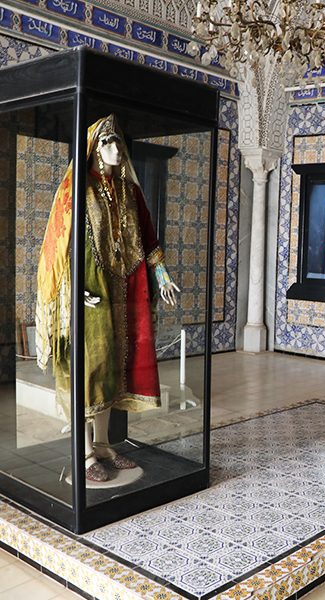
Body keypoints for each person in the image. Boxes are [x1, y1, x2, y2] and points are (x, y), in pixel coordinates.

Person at [35, 115, 179, 482]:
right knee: (90, 369)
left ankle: (102, 445)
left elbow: (148, 237)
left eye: (118, 141)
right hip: (90, 291)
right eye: (108, 142)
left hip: (126, 289)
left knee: (115, 369)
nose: (117, 149)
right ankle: (84, 454)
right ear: (94, 149)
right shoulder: (76, 189)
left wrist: (162, 276)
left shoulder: (130, 191)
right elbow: (59, 245)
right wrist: (72, 288)